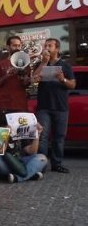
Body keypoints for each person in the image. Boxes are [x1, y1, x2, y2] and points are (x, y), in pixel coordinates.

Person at [33, 38, 76, 173]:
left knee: (59, 137)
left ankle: (56, 164)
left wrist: (62, 79)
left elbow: (73, 85)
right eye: (45, 45)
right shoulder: (40, 64)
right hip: (44, 107)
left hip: (61, 107)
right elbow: (34, 78)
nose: (47, 47)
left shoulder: (65, 65)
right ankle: (41, 165)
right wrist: (44, 63)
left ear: (57, 49)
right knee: (43, 136)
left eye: (50, 46)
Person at [0, 36, 30, 124]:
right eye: (14, 45)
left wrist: (25, 78)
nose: (17, 48)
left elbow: (26, 84)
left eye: (19, 46)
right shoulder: (1, 64)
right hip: (5, 104)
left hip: (20, 104)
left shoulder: (25, 63)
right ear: (8, 47)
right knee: (5, 134)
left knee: (20, 134)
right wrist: (7, 75)